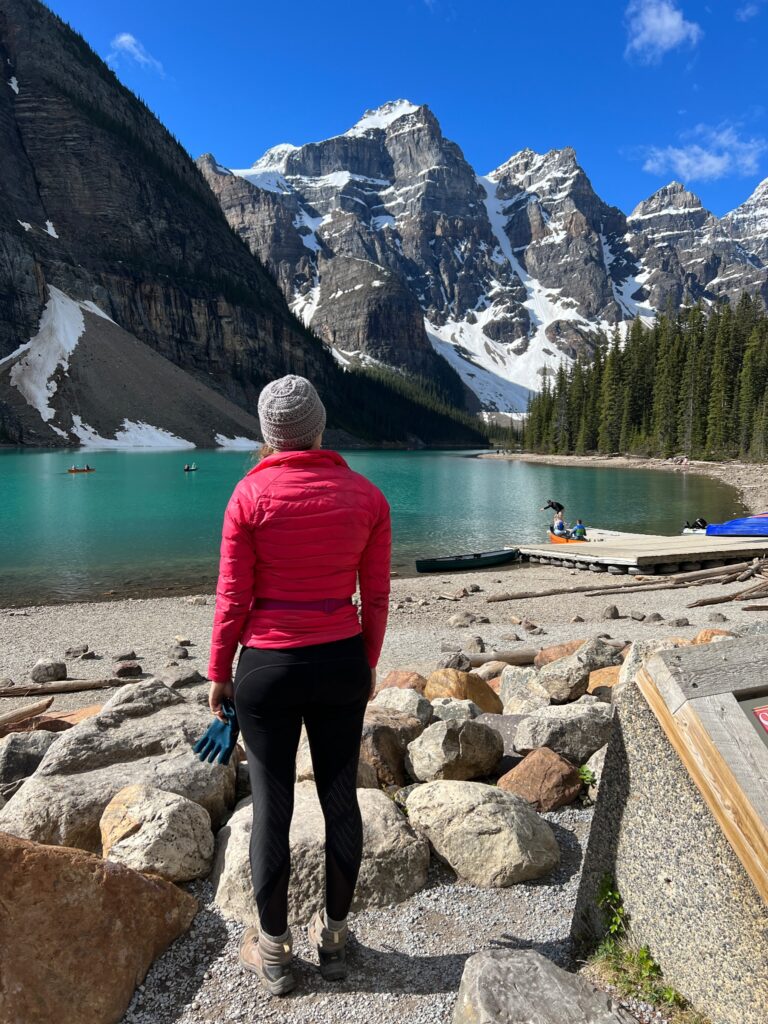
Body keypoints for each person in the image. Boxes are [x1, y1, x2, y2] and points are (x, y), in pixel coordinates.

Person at [207, 375, 391, 997]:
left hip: (266, 669)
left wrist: (218, 673)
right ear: (319, 427)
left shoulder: (249, 495)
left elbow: (232, 597)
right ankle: (336, 942)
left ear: (268, 435)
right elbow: (377, 597)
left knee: (272, 809)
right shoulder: (366, 497)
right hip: (339, 659)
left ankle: (275, 954)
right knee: (341, 800)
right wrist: (365, 662)